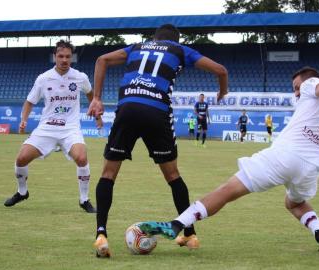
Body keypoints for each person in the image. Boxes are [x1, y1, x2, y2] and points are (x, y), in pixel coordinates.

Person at [138, 66, 319, 253]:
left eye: (296, 87)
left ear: (307, 81)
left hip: (283, 156)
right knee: (294, 203)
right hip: (310, 168)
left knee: (226, 191)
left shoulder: (311, 84)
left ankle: (175, 225)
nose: (295, 92)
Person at [87, 24, 228, 257]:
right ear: (176, 39)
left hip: (128, 108)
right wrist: (222, 91)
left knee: (108, 174)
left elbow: (101, 59)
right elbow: (221, 70)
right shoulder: (180, 50)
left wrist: (97, 98)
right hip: (156, 111)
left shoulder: (137, 47)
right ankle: (190, 234)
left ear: (154, 38)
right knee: (173, 176)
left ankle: (101, 234)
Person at [4, 40, 101, 213]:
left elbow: (91, 95)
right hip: (46, 128)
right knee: (21, 159)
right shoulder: (43, 78)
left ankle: (84, 199)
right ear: (54, 57)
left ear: (72, 58)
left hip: (70, 128)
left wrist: (96, 112)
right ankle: (22, 192)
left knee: (81, 157)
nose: (64, 60)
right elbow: (29, 101)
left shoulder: (80, 77)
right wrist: (23, 120)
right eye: (61, 56)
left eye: (68, 57)